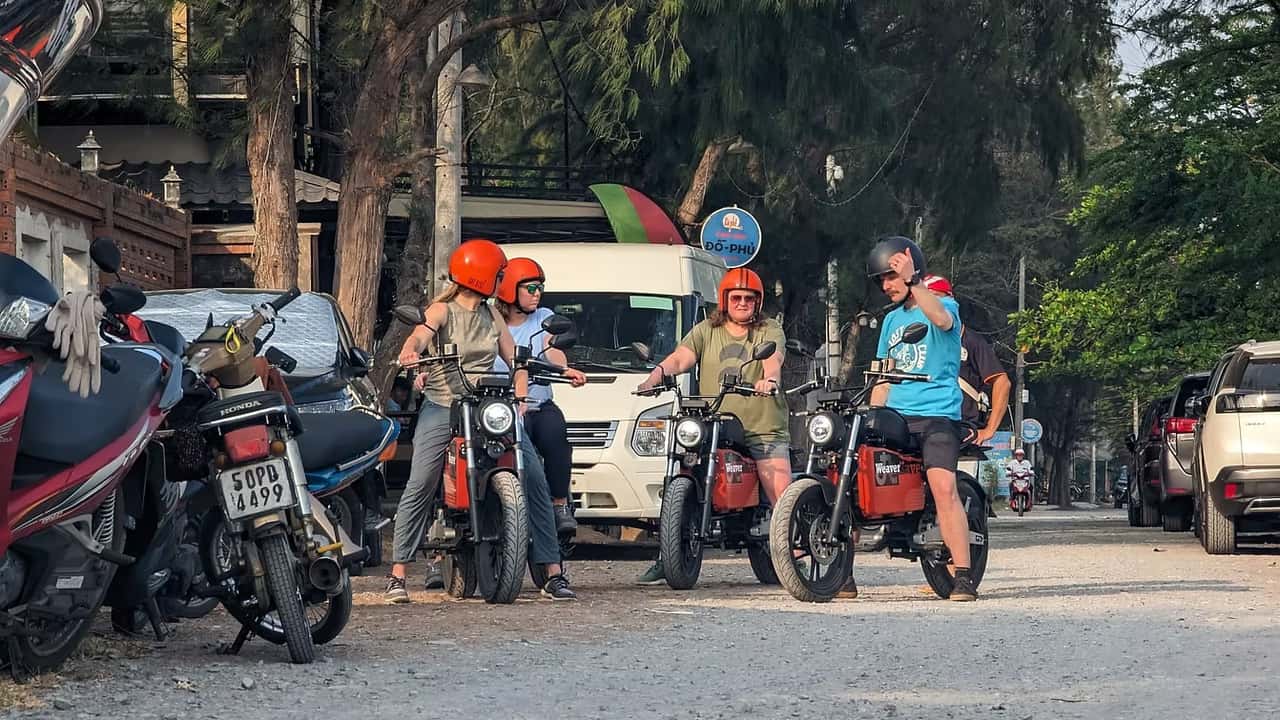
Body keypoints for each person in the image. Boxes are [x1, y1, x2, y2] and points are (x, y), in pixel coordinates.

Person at [387, 238, 577, 603]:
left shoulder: (491, 314)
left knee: (534, 474)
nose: (502, 280)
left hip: (490, 404)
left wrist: (520, 399)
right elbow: (419, 335)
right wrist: (411, 352)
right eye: (499, 274)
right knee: (421, 480)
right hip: (444, 404)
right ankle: (398, 574)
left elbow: (516, 359)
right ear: (482, 275)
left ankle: (553, 572)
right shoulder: (443, 310)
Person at [633, 267, 789, 585]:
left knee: (780, 493)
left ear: (758, 302)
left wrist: (769, 380)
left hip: (761, 425)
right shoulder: (706, 329)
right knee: (680, 470)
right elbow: (680, 358)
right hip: (714, 421)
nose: (743, 303)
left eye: (749, 298)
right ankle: (669, 554)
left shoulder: (769, 329)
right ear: (724, 300)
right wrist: (655, 377)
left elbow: (773, 361)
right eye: (737, 298)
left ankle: (793, 554)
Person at [864, 236, 979, 601]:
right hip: (896, 416)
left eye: (891, 277)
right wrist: (872, 414)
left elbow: (941, 319)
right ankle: (840, 570)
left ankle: (963, 574)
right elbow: (884, 376)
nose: (886, 286)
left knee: (943, 488)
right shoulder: (890, 322)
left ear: (911, 270)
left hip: (937, 417)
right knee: (853, 468)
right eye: (881, 280)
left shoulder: (945, 305)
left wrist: (915, 282)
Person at [494, 257, 588, 537]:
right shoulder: (490, 320)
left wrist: (565, 368)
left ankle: (559, 504)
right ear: (510, 289)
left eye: (540, 287)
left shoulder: (543, 317)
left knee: (555, 434)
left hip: (536, 404)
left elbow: (552, 348)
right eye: (531, 287)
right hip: (498, 409)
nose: (538, 293)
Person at [921, 275, 1010, 445]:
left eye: (934, 298)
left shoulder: (971, 341)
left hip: (960, 428)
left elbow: (1002, 382)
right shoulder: (919, 340)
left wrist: (989, 429)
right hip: (925, 422)